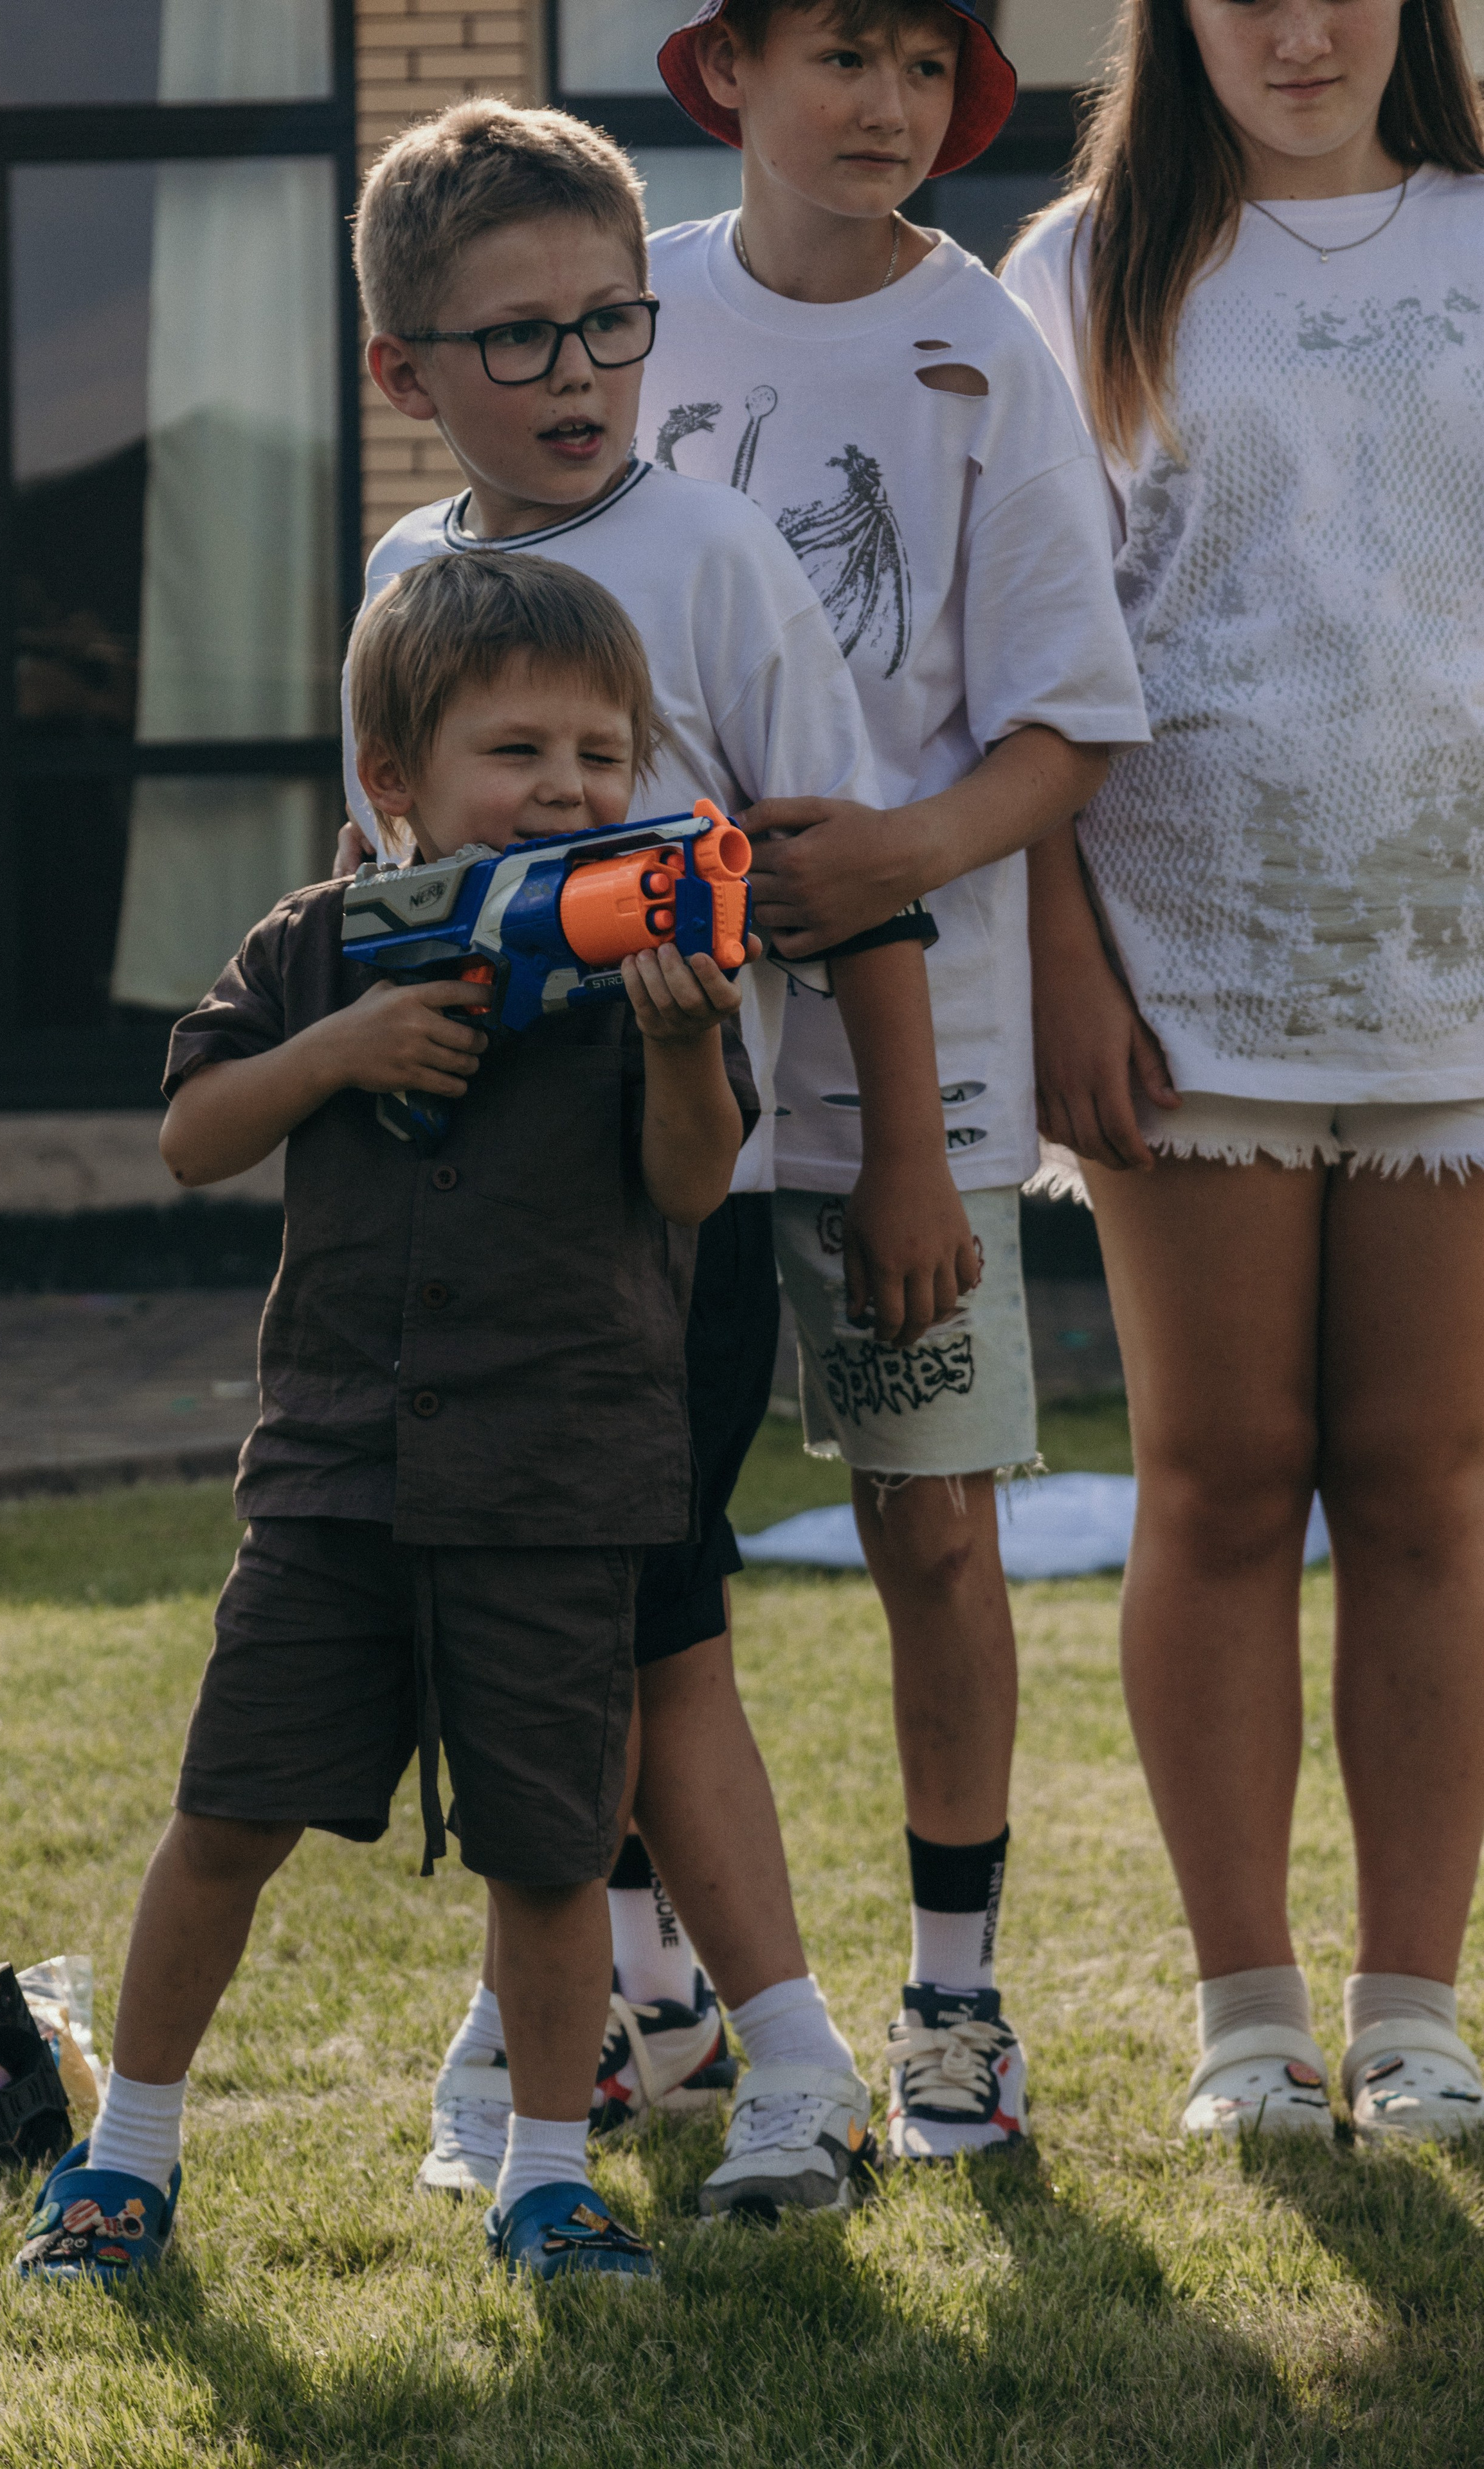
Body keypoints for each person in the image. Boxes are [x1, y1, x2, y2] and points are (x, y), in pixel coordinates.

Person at [341, 96, 959, 2220]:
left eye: (610, 321)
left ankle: (756, 2061)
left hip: (670, 1209)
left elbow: (848, 883)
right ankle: (603, 2023)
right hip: (467, 1220)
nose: (580, 372)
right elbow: (374, 883)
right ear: (403, 376)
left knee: (643, 1619)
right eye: (515, 340)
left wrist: (897, 1167)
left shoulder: (713, 556)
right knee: (578, 1621)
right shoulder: (405, 579)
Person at [15, 551, 757, 2289]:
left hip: (559, 1488)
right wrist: (339, 1048)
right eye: (520, 752)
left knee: (555, 1852)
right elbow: (197, 1134)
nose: (569, 787)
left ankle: (547, 2175)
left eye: (601, 753)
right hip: (339, 1477)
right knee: (225, 1816)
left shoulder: (644, 958)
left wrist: (675, 1049)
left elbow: (696, 1186)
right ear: (394, 781)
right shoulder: (314, 945)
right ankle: (125, 2158)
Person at [641, 0, 1150, 2158]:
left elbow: (1068, 714)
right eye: (844, 56)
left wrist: (901, 856)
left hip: (912, 1064)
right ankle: (646, 1993)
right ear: (730, 72)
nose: (889, 110)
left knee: (931, 1522)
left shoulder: (987, 354)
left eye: (927, 73)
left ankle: (958, 2008)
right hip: (649, 1044)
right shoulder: (623, 307)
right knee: (632, 1534)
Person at [1003, 0, 1484, 2141]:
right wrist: (1058, 960)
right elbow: (1013, 653)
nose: (1298, 28)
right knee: (1216, 1480)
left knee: (1428, 1490)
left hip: (1460, 971)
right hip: (1185, 976)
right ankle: (1245, 2029)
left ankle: (1414, 2016)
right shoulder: (1082, 272)